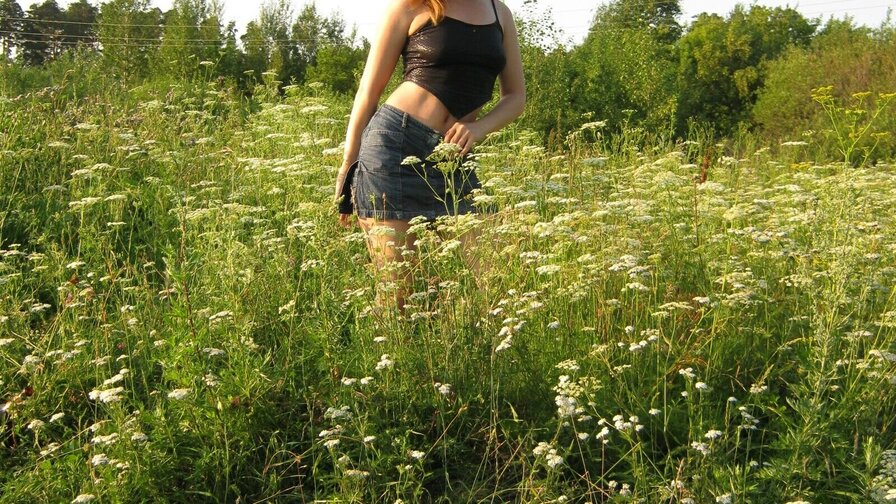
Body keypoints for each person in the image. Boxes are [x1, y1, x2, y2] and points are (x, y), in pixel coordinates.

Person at [334, 0, 525, 310]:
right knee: (398, 297)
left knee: (498, 280)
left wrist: (479, 128)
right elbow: (367, 95)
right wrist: (348, 166)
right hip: (395, 149)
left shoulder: (499, 13)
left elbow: (516, 97)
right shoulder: (411, 7)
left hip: (454, 158)